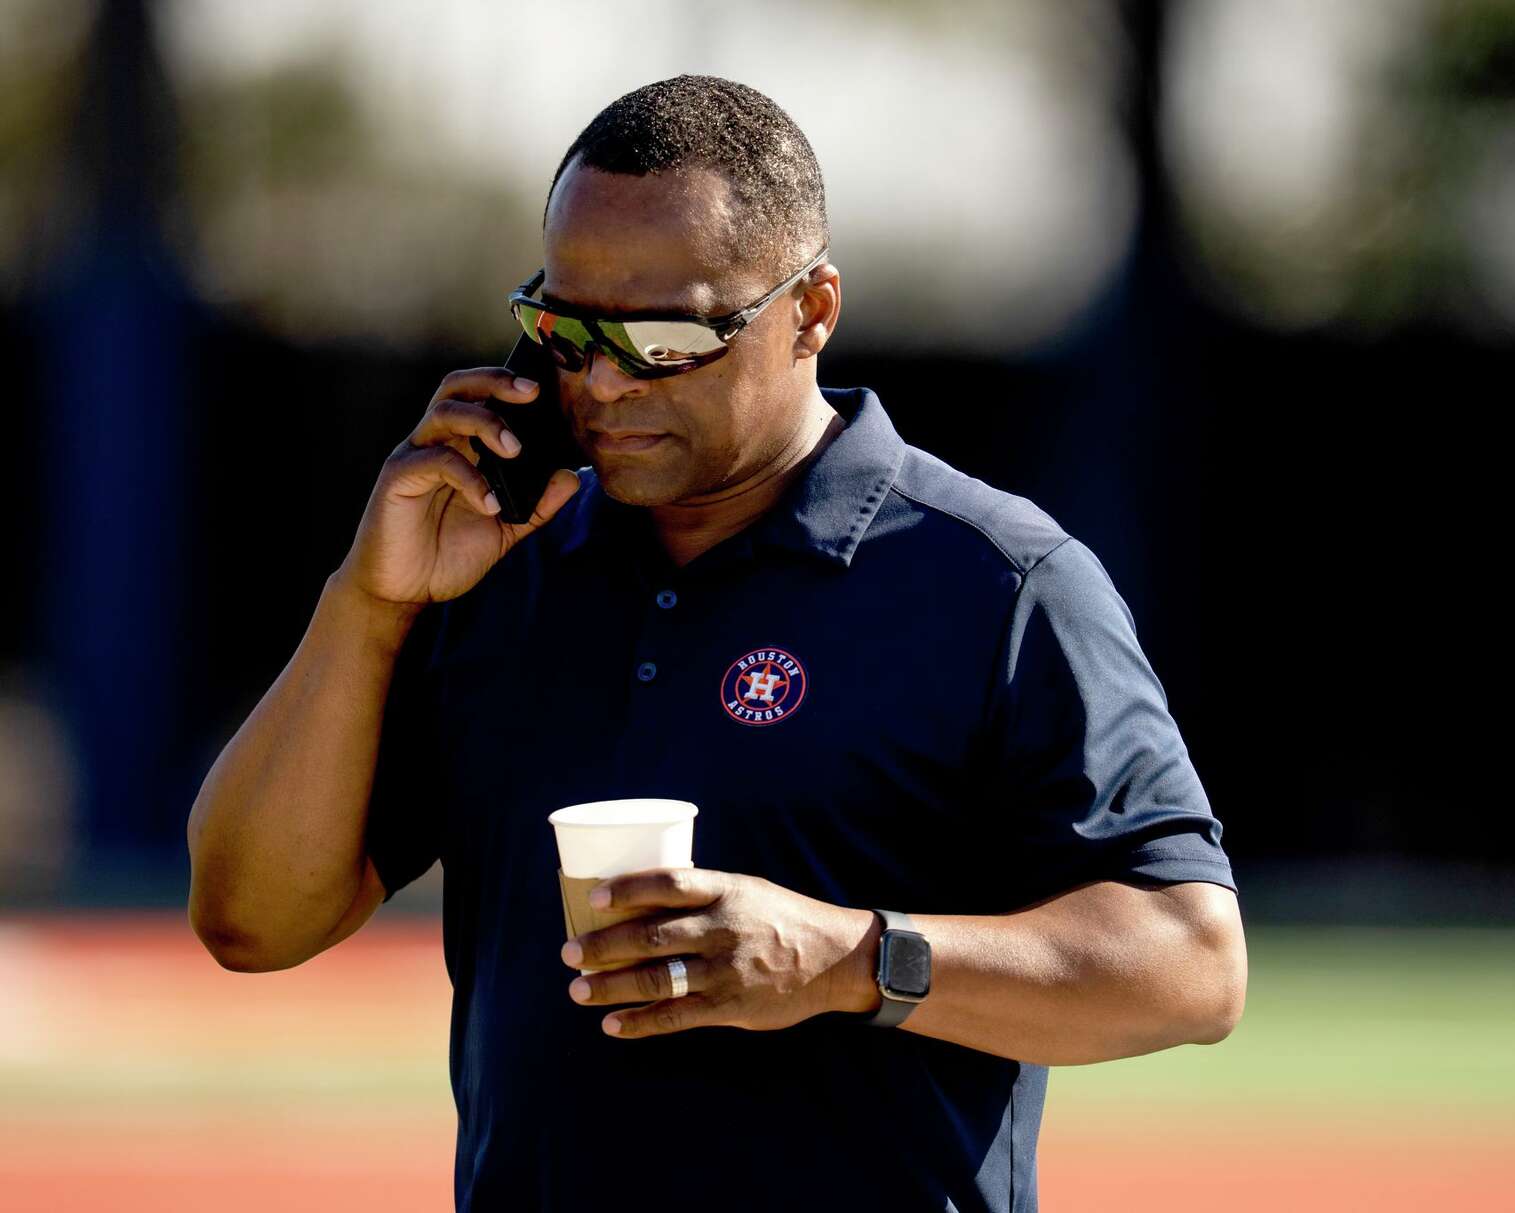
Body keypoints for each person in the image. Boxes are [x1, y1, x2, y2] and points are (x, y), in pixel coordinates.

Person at [186, 74, 1246, 1213]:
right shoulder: (495, 563)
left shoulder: (1000, 581)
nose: (599, 381)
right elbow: (250, 918)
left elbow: (1189, 962)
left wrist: (845, 960)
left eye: (663, 337)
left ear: (812, 309)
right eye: (566, 327)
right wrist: (368, 601)